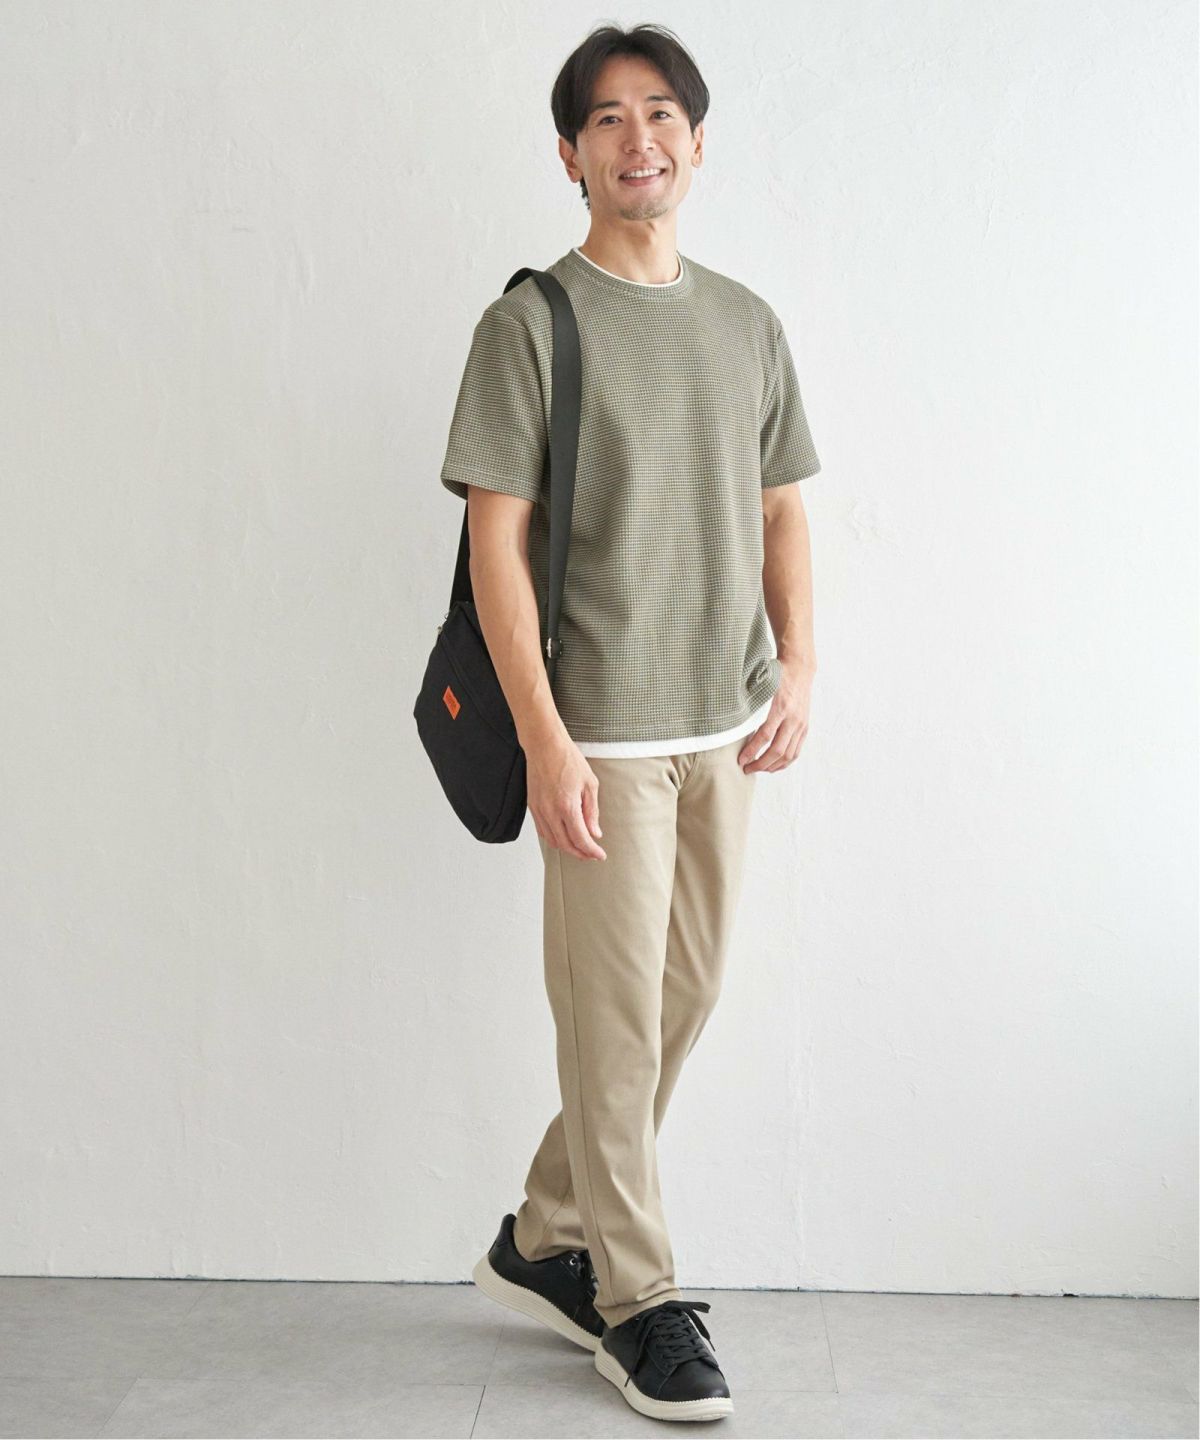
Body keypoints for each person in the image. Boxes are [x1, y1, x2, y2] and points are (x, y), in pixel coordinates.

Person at [438, 21, 822, 1424]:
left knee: (683, 996)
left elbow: (782, 506)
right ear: (570, 155)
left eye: (661, 113)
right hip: (597, 727)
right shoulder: (529, 326)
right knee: (610, 1025)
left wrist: (800, 662)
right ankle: (635, 1297)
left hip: (722, 722)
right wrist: (543, 736)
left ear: (697, 143)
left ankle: (544, 1232)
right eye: (606, 119)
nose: (637, 138)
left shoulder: (747, 322)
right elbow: (496, 542)